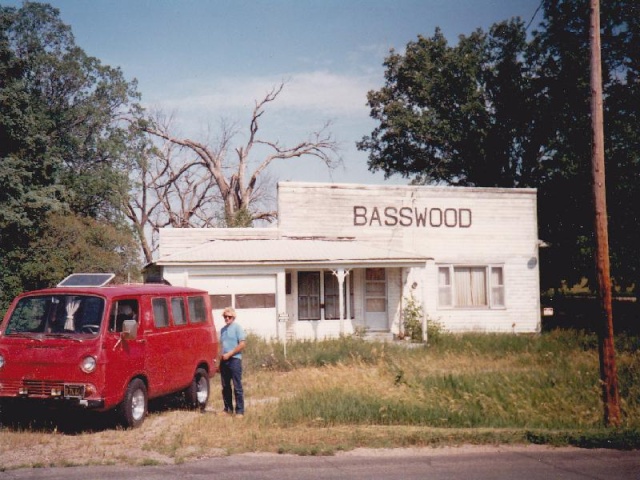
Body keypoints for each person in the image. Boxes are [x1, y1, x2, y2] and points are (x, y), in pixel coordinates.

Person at [219, 306, 246, 416]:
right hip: (224, 361)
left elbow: (242, 344)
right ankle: (228, 409)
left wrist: (230, 354)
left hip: (235, 360)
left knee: (237, 386)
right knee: (225, 387)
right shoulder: (222, 330)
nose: (226, 318)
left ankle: (240, 411)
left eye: (229, 316)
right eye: (225, 316)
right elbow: (221, 346)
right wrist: (219, 361)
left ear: (233, 317)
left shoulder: (237, 328)